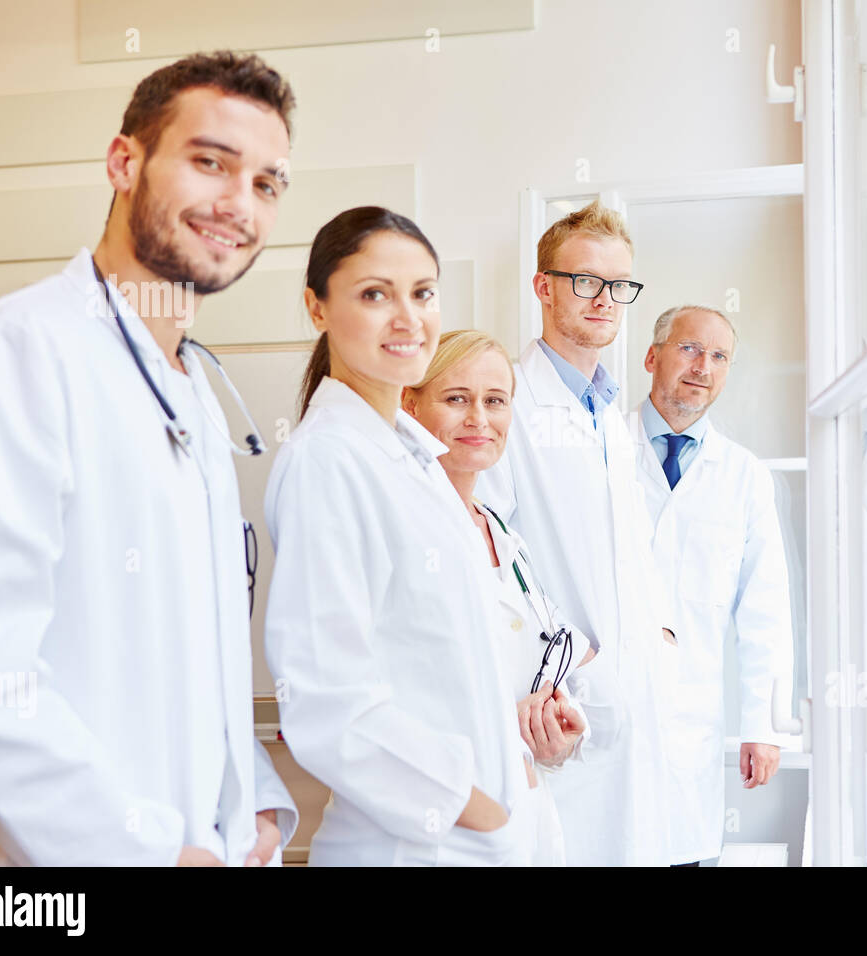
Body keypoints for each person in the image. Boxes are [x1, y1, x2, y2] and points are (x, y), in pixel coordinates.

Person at [0, 52, 300, 865]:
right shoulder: (14, 352)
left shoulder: (193, 391)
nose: (238, 204)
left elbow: (194, 657)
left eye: (267, 184)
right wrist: (148, 850)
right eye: (211, 162)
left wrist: (254, 808)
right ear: (123, 162)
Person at [263, 207, 535, 866]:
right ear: (317, 307)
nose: (408, 318)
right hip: (415, 845)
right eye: (374, 295)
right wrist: (476, 807)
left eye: (423, 293)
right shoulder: (328, 459)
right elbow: (331, 700)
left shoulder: (410, 457)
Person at [477, 201, 679, 866]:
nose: (604, 300)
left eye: (619, 286)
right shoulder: (506, 399)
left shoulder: (611, 418)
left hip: (628, 701)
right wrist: (581, 659)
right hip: (559, 702)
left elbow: (630, 555)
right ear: (543, 286)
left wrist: (657, 636)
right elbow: (496, 555)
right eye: (585, 281)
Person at [402, 329, 596, 866]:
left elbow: (555, 653)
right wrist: (502, 724)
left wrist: (559, 724)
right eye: (456, 398)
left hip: (524, 811)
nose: (478, 419)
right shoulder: (401, 527)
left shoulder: (501, 535)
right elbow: (383, 691)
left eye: (495, 401)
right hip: (442, 823)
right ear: (409, 404)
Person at [628, 305, 795, 867]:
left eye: (719, 356)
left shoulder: (744, 475)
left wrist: (764, 726)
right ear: (652, 357)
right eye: (689, 348)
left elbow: (765, 608)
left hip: (688, 728)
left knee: (680, 855)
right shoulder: (599, 451)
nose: (703, 366)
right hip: (605, 714)